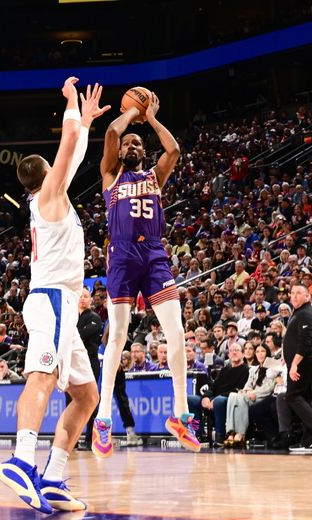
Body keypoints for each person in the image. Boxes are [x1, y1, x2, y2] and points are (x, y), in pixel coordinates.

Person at [0, 78, 108, 515]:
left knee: (87, 395)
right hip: (53, 300)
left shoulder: (48, 196)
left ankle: (55, 476)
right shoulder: (49, 196)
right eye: (55, 166)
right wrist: (70, 105)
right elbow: (68, 147)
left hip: (57, 301)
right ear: (46, 174)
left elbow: (73, 152)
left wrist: (85, 120)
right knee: (41, 378)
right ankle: (22, 460)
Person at [94, 90, 200, 458]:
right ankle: (103, 417)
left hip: (154, 253)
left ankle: (181, 414)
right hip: (122, 255)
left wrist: (151, 119)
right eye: (129, 144)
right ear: (122, 152)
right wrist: (130, 116)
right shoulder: (110, 175)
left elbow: (174, 151)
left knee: (177, 332)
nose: (134, 146)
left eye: (139, 144)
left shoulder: (156, 176)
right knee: (119, 335)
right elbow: (110, 132)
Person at [277, 285, 312, 451]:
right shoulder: (299, 313)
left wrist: (294, 363)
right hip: (303, 362)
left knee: (292, 396)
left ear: (307, 297)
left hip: (304, 363)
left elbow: (304, 343)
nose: (294, 296)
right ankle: (308, 440)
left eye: (298, 293)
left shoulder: (306, 314)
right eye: (292, 293)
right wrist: (285, 357)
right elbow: (294, 340)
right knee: (305, 398)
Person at [66, 288, 103, 449]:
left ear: (90, 300)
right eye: (80, 296)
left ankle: (90, 438)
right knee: (70, 401)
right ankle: (70, 439)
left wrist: (71, 335)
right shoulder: (71, 318)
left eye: (86, 296)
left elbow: (80, 336)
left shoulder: (95, 317)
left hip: (90, 362)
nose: (82, 299)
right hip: (72, 362)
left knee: (90, 399)